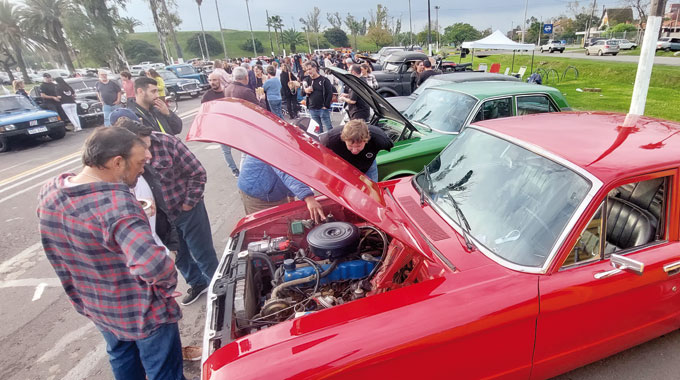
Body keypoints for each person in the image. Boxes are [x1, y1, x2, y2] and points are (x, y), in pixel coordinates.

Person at [37, 127, 185, 380]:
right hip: (143, 313)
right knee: (164, 373)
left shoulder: (51, 190)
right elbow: (154, 267)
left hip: (98, 306)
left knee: (122, 359)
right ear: (117, 162)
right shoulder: (119, 205)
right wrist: (168, 265)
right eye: (139, 163)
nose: (142, 169)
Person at [119, 115, 219, 306]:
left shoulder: (168, 142)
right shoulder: (121, 160)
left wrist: (188, 204)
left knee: (203, 253)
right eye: (143, 150)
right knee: (179, 256)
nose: (148, 155)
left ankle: (219, 290)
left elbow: (197, 172)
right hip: (160, 218)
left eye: (149, 147)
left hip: (187, 211)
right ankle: (198, 283)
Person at [238, 154, 326, 222]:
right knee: (269, 232)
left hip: (275, 190)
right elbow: (285, 171)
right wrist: (308, 198)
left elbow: (295, 166)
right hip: (258, 194)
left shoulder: (290, 136)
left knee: (284, 223)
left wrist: (291, 196)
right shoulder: (273, 141)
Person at [320, 119, 393, 182]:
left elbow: (390, 146)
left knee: (372, 190)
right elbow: (323, 155)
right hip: (344, 166)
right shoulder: (330, 140)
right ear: (344, 139)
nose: (354, 151)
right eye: (350, 146)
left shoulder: (380, 139)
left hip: (368, 165)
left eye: (359, 146)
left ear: (366, 140)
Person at [202, 72, 240, 178]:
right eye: (210, 80)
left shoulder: (227, 91)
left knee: (243, 148)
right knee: (226, 151)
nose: (212, 82)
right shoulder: (207, 96)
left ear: (220, 80)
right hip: (220, 128)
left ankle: (246, 168)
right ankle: (234, 169)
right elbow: (204, 114)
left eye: (214, 80)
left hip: (233, 125)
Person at [303, 60, 334, 133]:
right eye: (307, 70)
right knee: (317, 129)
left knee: (329, 128)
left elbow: (329, 93)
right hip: (312, 108)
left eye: (310, 69)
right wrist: (305, 90)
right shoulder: (306, 80)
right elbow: (302, 93)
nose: (309, 71)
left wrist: (326, 106)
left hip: (322, 108)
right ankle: (320, 143)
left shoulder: (324, 80)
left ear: (315, 68)